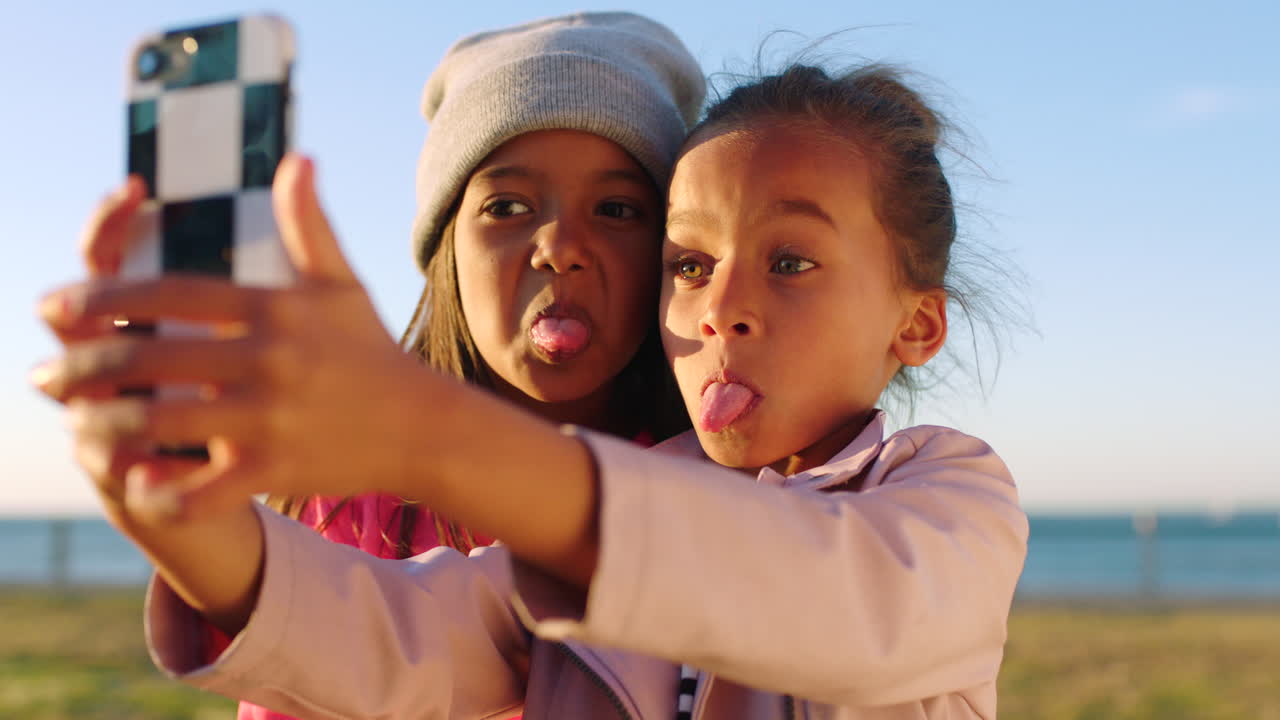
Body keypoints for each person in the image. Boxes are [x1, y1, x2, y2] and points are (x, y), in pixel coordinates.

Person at [35, 59, 1028, 719]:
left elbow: (821, 596)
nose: (719, 307)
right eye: (688, 264)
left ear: (915, 325)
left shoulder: (949, 503)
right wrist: (177, 503)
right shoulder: (596, 514)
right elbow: (386, 631)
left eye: (790, 264)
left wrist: (425, 434)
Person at [42, 11, 702, 720]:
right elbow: (332, 646)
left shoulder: (716, 491)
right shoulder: (352, 497)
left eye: (617, 209)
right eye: (507, 205)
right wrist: (180, 514)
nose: (559, 246)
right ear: (444, 248)